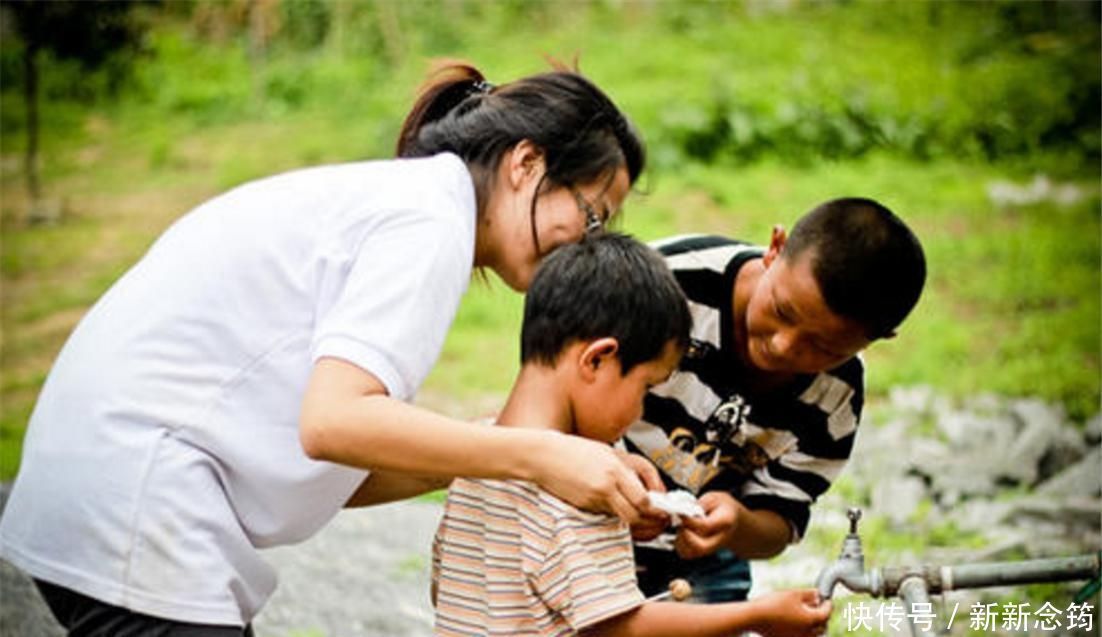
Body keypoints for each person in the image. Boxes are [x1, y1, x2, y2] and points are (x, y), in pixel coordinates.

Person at [0, 61, 655, 635]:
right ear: (525, 162)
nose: (588, 242)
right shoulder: (428, 223)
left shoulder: (412, 202)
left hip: (108, 486)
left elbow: (338, 460)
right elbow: (335, 422)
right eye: (593, 213)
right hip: (139, 497)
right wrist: (540, 454)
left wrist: (541, 460)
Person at [431, 233, 833, 637]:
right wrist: (757, 615)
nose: (641, 411)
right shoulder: (583, 485)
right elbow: (617, 627)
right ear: (597, 359)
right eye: (645, 387)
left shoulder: (477, 460)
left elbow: (444, 587)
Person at [624, 197, 927, 602]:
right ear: (775, 248)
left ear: (874, 339)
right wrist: (607, 469)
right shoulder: (664, 283)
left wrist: (737, 525)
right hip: (577, 526)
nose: (784, 348)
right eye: (783, 311)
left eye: (824, 347)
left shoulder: (836, 397)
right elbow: (552, 400)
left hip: (701, 565)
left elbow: (779, 523)